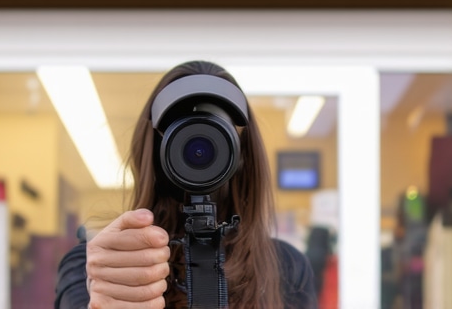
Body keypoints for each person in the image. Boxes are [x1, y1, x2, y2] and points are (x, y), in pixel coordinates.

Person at [54, 60, 318, 309]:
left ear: (240, 156)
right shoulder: (99, 267)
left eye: (214, 136)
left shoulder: (286, 266)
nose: (198, 151)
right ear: (156, 153)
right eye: (182, 138)